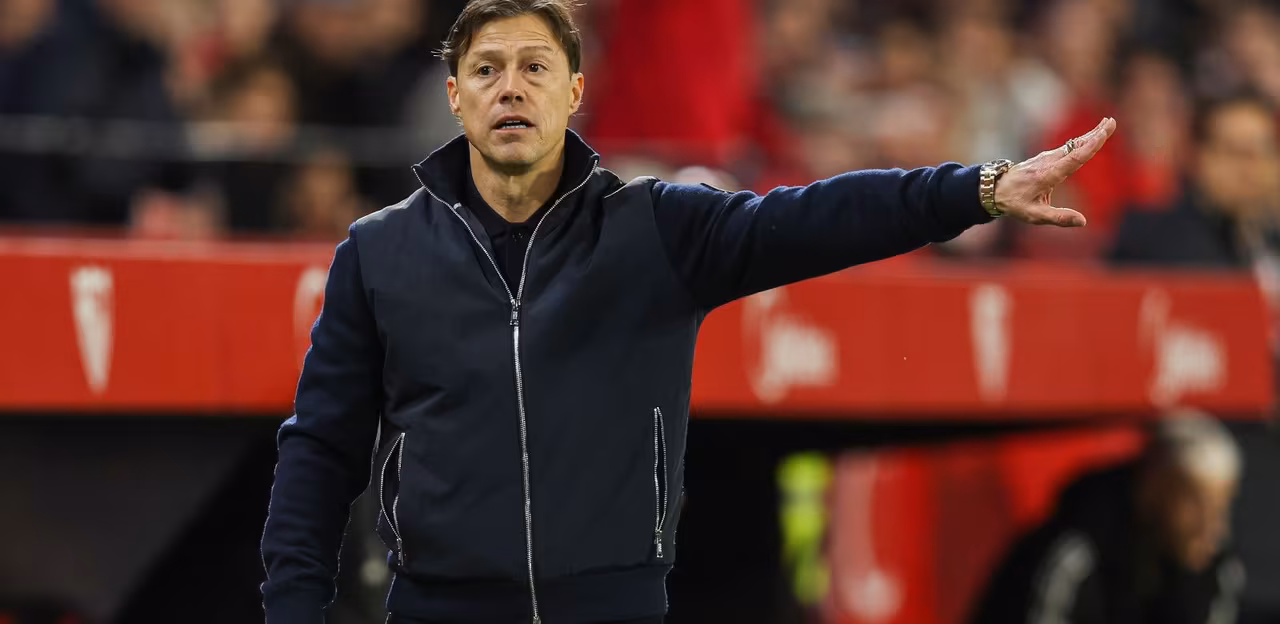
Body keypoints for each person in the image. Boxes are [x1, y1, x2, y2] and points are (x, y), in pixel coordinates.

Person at [258, 1, 1116, 622]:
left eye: (535, 68)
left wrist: (977, 188)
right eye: (487, 69)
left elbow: (816, 217)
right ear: (454, 95)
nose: (510, 88)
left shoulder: (653, 231)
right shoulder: (379, 254)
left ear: (575, 91)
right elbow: (321, 451)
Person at [967, 411, 1247, 624]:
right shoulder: (1072, 553)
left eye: (1221, 507)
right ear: (1151, 490)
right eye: (1194, 503)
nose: (1211, 525)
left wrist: (1188, 582)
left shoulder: (1214, 567)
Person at [1108, 91, 1280, 268]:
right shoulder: (1150, 240)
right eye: (1235, 152)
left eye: (1263, 151)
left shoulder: (1268, 243)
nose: (1250, 168)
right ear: (1196, 156)